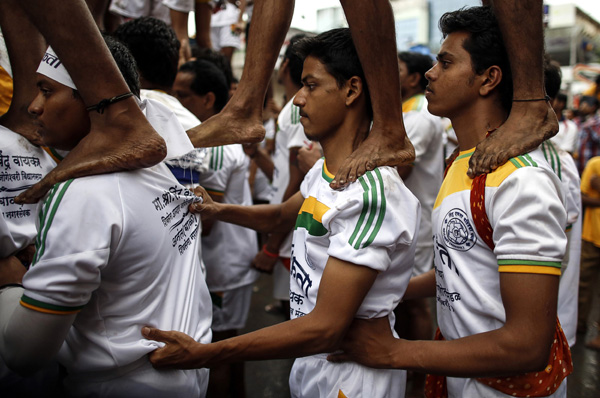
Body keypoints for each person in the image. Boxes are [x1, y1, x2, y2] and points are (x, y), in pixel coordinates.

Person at [142, 28, 420, 398]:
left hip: (351, 379)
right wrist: (217, 208)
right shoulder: (326, 170)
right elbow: (279, 217)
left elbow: (324, 328)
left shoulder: (371, 195)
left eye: (310, 85)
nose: (297, 100)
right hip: (313, 363)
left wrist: (204, 353)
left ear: (352, 90)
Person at [328, 7, 571, 398]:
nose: (429, 72)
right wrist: (387, 289)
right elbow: (460, 269)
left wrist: (396, 352)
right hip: (464, 380)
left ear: (488, 79)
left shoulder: (521, 181)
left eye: (446, 62)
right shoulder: (462, 161)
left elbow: (527, 344)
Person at [0, 38, 212, 398]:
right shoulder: (157, 168)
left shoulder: (84, 194)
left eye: (47, 91)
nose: (33, 107)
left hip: (122, 385)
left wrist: (9, 282)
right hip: (184, 377)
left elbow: (25, 353)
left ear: (93, 100)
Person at [172, 59, 259, 397]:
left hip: (224, 265)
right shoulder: (212, 140)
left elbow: (206, 221)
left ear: (208, 99)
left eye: (183, 96)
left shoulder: (217, 146)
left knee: (220, 352)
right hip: (228, 261)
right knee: (231, 349)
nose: (176, 104)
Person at [245, 34, 307, 318]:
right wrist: (258, 155)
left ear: (285, 68)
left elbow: (297, 182)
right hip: (287, 223)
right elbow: (283, 174)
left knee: (297, 312)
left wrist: (271, 245)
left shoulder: (297, 107)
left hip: (291, 227)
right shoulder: (292, 110)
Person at [393, 50, 443, 397]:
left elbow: (400, 169)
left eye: (395, 69)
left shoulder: (420, 115)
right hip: (405, 218)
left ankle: (421, 371)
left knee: (415, 300)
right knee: (403, 298)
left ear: (413, 78)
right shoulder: (405, 112)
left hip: (418, 221)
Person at [577, 156, 600, 343]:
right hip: (592, 235)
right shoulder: (595, 164)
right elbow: (582, 196)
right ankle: (579, 323)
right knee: (583, 282)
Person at [575, 96, 600, 174]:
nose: (581, 107)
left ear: (593, 107)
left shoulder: (597, 122)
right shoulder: (577, 122)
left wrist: (590, 126)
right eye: (581, 104)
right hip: (577, 166)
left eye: (584, 104)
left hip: (592, 168)